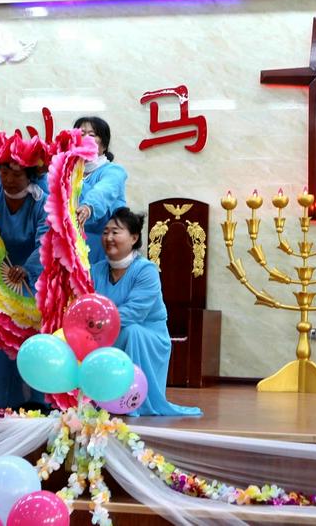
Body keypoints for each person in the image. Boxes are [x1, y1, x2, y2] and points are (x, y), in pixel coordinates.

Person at [92, 208, 201, 417]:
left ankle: (131, 399)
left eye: (115, 232)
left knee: (130, 331)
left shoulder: (146, 270)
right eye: (105, 232)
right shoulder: (96, 270)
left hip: (148, 334)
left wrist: (98, 323)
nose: (108, 237)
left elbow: (135, 313)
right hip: (107, 330)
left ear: (134, 238)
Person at [0, 159, 49, 408]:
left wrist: (27, 269)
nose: (9, 180)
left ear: (30, 176)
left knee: (28, 334)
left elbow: (45, 242)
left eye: (17, 175)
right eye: (4, 172)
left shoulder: (42, 203)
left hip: (31, 280)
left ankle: (33, 401)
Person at [73, 117, 127, 264]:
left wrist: (88, 206)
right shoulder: (69, 173)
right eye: (81, 134)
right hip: (70, 248)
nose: (85, 138)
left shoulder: (113, 171)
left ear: (104, 145)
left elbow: (103, 190)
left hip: (103, 247)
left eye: (91, 135)